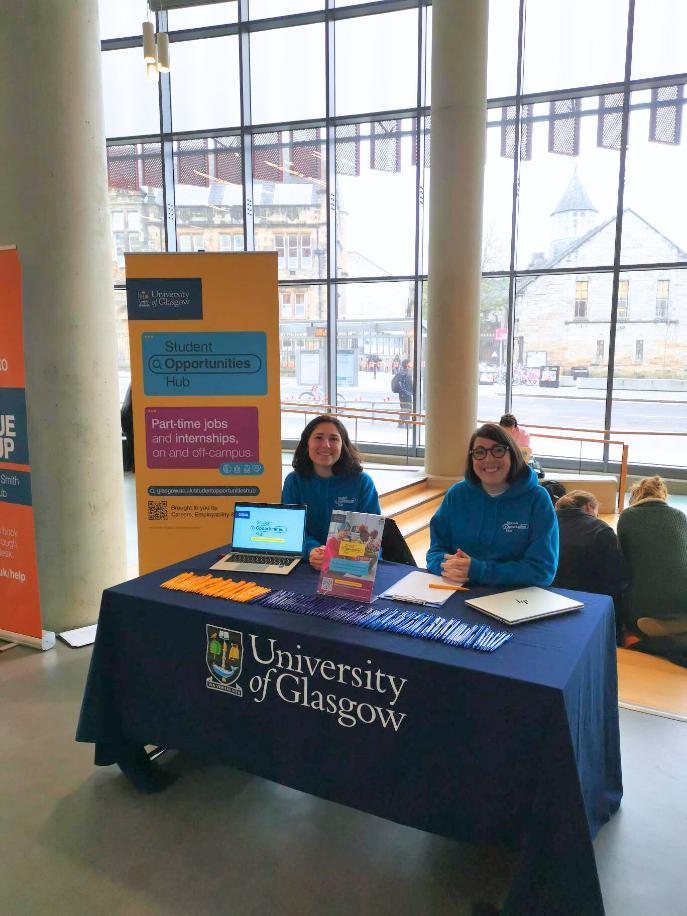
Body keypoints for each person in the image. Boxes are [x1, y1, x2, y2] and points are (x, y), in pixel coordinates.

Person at [426, 422, 558, 586]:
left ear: (512, 454)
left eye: (498, 450)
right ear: (471, 458)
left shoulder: (537, 499)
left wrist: (478, 570)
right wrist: (446, 566)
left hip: (513, 600)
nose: (488, 459)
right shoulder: (456, 495)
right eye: (479, 452)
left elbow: (542, 571)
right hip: (457, 592)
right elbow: (435, 551)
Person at [282, 415, 381, 571]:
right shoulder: (293, 481)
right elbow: (291, 531)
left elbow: (371, 534)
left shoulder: (362, 482)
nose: (326, 445)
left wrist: (335, 556)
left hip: (349, 566)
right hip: (306, 564)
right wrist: (312, 550)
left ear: (343, 446)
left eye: (334, 439)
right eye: (319, 438)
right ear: (307, 443)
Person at [617, 476, 687, 640]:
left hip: (645, 604)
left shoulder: (628, 517)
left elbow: (622, 559)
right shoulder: (680, 516)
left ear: (636, 495)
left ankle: (652, 619)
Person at [553, 490, 627, 615]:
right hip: (588, 603)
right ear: (588, 506)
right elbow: (615, 576)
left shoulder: (545, 523)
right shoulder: (600, 530)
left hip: (547, 597)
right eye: (596, 513)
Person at [393, 359, 413, 428]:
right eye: (410, 363)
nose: (412, 364)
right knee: (407, 409)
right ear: (407, 365)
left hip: (403, 394)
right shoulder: (406, 373)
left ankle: (401, 423)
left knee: (404, 408)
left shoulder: (404, 373)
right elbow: (405, 385)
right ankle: (407, 424)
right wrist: (407, 392)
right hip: (406, 394)